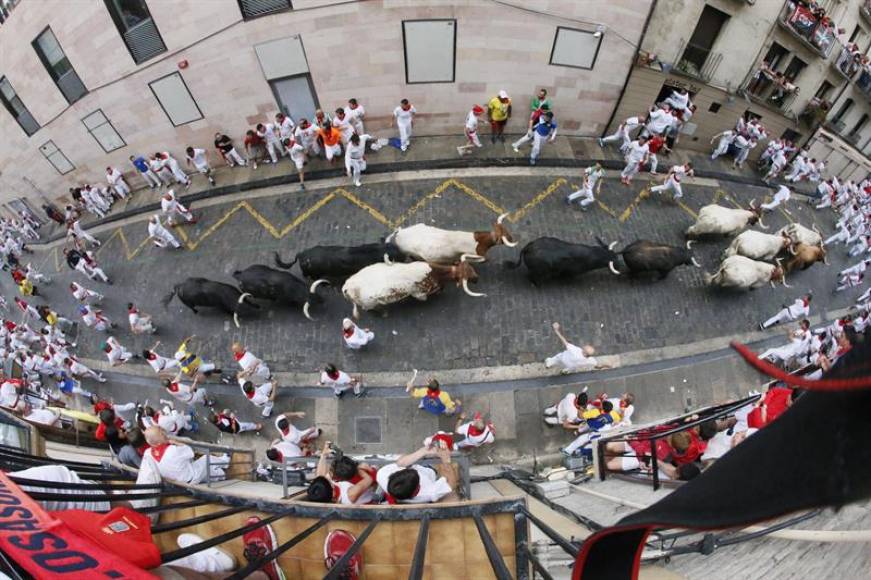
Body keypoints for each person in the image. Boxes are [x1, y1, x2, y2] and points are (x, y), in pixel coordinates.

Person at [143, 425, 229, 484]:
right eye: (161, 433)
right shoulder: (172, 450)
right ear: (157, 442)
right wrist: (175, 442)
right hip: (191, 475)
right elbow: (190, 452)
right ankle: (225, 461)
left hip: (181, 481)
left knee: (206, 472)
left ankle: (221, 476)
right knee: (207, 458)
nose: (163, 432)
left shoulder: (148, 454)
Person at [375, 444, 457, 504]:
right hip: (429, 471)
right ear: (416, 490)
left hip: (420, 467)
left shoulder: (381, 475)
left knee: (403, 457)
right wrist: (446, 460)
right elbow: (452, 483)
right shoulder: (429, 493)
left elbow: (400, 463)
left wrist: (423, 451)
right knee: (454, 467)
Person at [306, 441, 376, 504]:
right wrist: (359, 469)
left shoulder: (322, 494)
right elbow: (369, 479)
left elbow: (320, 477)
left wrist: (323, 455)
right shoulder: (349, 494)